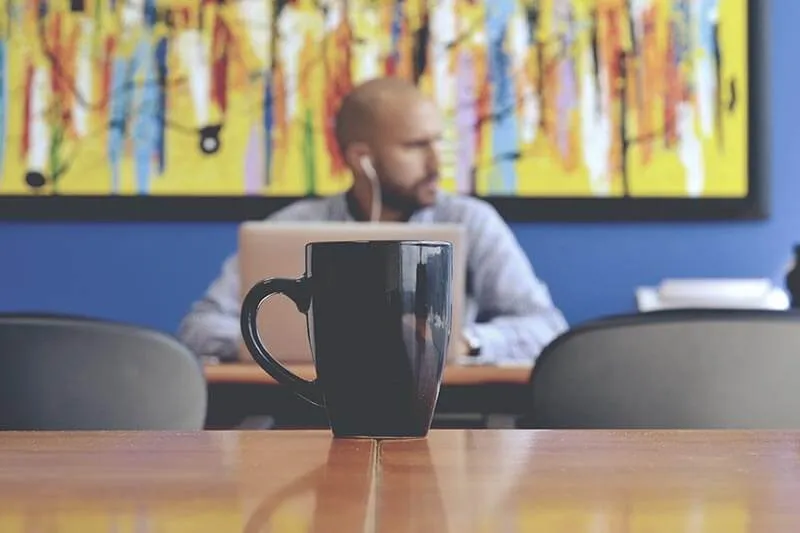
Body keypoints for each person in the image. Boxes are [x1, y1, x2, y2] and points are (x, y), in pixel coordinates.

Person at [178, 77, 567, 365]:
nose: (437, 163)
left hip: (443, 415)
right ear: (360, 157)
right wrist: (267, 343)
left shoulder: (471, 221)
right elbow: (200, 327)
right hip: (311, 406)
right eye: (416, 146)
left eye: (437, 142)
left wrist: (465, 342)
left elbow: (546, 328)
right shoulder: (295, 225)